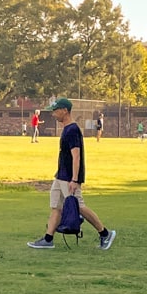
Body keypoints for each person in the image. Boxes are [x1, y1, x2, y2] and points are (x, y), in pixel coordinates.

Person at [28, 98, 115, 250]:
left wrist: (74, 179)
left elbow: (76, 156)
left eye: (56, 111)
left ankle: (105, 233)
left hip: (69, 177)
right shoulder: (67, 129)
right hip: (61, 175)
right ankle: (48, 239)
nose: (53, 114)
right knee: (57, 206)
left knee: (79, 206)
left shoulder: (72, 130)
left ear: (65, 111)